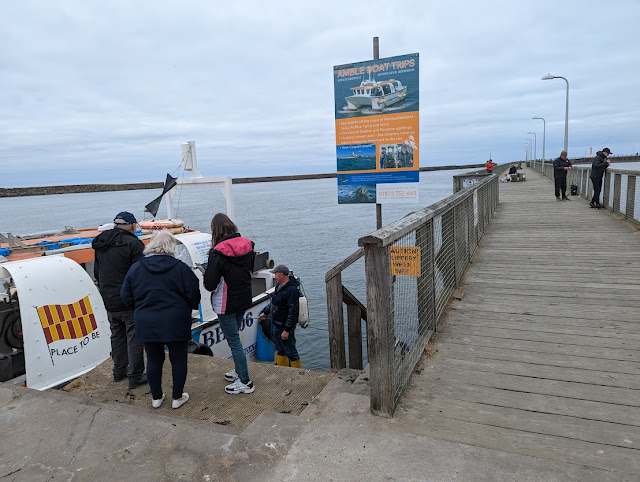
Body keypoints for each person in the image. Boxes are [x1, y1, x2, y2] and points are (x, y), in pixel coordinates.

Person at [120, 230, 200, 409]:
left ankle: (156, 397)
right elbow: (194, 294)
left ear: (151, 245)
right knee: (178, 359)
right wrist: (187, 307)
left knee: (153, 359)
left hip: (147, 321)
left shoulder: (136, 268)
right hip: (176, 321)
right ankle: (177, 397)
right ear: (171, 247)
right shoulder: (180, 268)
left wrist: (140, 308)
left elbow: (125, 296)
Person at [92, 211, 146, 388]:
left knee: (117, 335)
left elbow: (97, 273)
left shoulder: (102, 242)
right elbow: (141, 274)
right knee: (134, 336)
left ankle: (119, 371)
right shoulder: (133, 244)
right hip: (128, 299)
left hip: (109, 298)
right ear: (131, 225)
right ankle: (135, 375)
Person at [204, 213, 256, 395]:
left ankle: (245, 382)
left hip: (225, 303)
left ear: (215, 230)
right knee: (236, 338)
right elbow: (249, 269)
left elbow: (210, 285)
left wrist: (207, 272)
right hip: (243, 300)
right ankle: (238, 370)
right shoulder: (247, 244)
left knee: (234, 342)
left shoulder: (217, 252)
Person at [259, 265, 301, 368]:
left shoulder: (292, 290)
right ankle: (283, 371)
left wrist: (287, 330)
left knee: (291, 352)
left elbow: (293, 312)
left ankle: (298, 374)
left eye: (276, 275)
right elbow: (274, 302)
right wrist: (266, 312)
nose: (274, 277)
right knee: (280, 350)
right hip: (276, 325)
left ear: (281, 275)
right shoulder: (279, 287)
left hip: (284, 327)